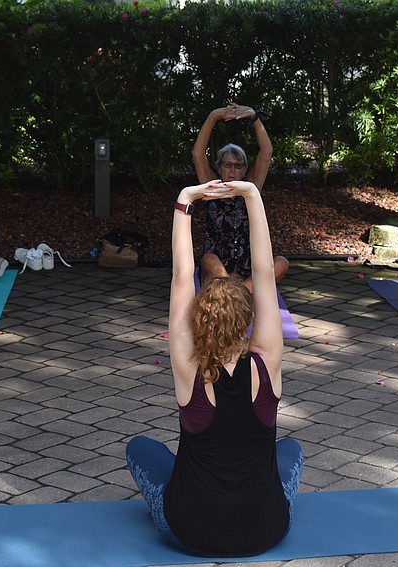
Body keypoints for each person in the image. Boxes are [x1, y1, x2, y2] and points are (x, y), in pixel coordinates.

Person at [125, 179, 303, 557]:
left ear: (198, 319)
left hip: (189, 531)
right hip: (267, 529)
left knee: (139, 447)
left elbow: (180, 276)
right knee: (292, 449)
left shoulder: (188, 365)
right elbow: (265, 273)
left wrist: (184, 202)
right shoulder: (266, 360)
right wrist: (251, 194)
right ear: (249, 318)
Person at [192, 103, 289, 292]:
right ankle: (240, 295)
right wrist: (213, 116)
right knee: (210, 260)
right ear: (219, 167)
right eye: (227, 165)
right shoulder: (212, 186)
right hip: (217, 268)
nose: (232, 170)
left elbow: (266, 153)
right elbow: (197, 154)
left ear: (244, 169)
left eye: (238, 166)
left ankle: (239, 294)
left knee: (281, 263)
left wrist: (254, 117)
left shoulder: (250, 188)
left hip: (249, 270)